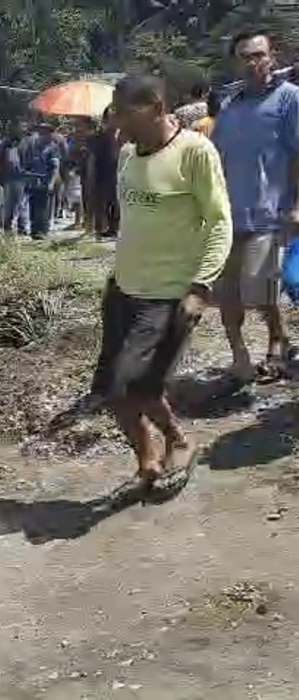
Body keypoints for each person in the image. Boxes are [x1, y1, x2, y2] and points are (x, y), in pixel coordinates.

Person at [93, 75, 231, 490]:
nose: (117, 123)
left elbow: (219, 222)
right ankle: (147, 459)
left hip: (167, 296)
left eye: (124, 114)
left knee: (134, 387)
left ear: (155, 107)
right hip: (123, 290)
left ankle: (177, 439)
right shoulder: (128, 154)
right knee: (112, 391)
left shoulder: (195, 152)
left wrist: (201, 287)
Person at [210, 30, 299, 381]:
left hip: (270, 211)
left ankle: (277, 343)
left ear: (272, 57)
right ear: (235, 61)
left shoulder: (289, 99)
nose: (252, 62)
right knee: (228, 292)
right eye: (245, 56)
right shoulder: (230, 107)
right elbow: (215, 158)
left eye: (258, 55)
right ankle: (241, 357)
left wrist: (297, 206)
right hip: (228, 214)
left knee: (262, 287)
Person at [19, 122, 61, 239]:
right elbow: (27, 163)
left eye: (44, 132)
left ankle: (43, 231)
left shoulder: (53, 148)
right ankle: (35, 231)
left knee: (43, 208)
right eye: (40, 132)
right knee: (33, 207)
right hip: (33, 181)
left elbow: (55, 167)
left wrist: (51, 183)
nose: (42, 134)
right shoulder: (33, 147)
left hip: (45, 182)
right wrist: (25, 172)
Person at [89, 106, 122, 239]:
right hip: (103, 172)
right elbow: (93, 156)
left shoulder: (126, 135)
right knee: (104, 201)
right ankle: (103, 228)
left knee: (118, 202)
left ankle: (115, 228)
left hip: (121, 171)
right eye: (111, 117)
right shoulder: (99, 137)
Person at [0, 126, 30, 235]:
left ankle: (22, 226)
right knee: (12, 203)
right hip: (11, 178)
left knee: (21, 203)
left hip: (20, 178)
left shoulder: (26, 144)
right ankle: (10, 225)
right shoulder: (6, 146)